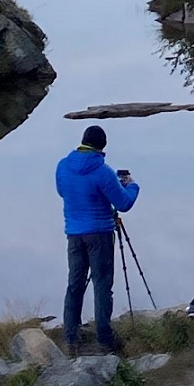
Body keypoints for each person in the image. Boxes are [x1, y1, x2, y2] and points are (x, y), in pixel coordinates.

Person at [54, 124, 140, 356]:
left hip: (74, 233)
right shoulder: (104, 172)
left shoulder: (62, 166)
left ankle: (70, 338)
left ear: (82, 141)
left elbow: (63, 192)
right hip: (100, 234)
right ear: (102, 147)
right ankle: (104, 338)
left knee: (75, 284)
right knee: (102, 285)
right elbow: (124, 203)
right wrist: (132, 185)